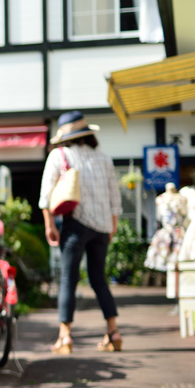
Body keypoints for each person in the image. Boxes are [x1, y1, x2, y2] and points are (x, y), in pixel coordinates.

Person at [39, 111, 122, 354]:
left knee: (68, 279)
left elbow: (45, 196)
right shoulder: (104, 159)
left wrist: (49, 225)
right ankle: (113, 332)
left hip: (75, 225)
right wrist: (112, 226)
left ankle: (65, 337)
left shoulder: (59, 155)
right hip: (103, 227)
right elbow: (115, 199)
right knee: (99, 280)